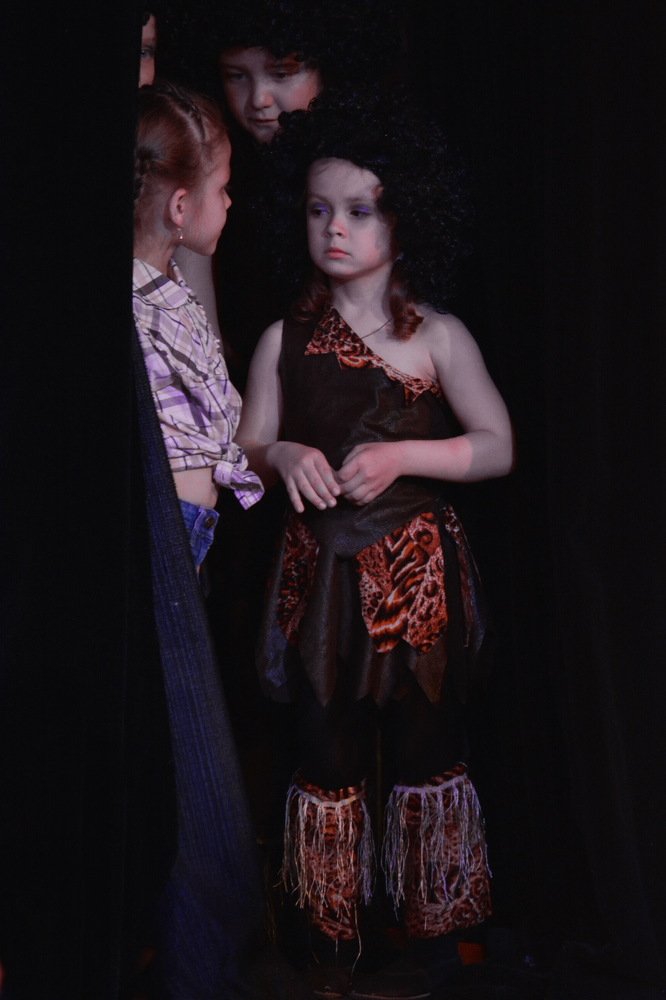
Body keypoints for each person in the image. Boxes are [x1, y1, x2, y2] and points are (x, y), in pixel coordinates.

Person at [236, 94, 515, 999]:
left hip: (416, 580)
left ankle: (437, 932)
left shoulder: (436, 334)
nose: (336, 229)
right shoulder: (282, 339)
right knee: (326, 748)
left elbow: (497, 446)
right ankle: (331, 935)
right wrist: (281, 454)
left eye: (360, 210)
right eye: (320, 209)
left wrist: (403, 455)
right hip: (318, 583)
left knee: (428, 742)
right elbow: (247, 446)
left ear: (406, 218)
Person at [132, 81, 263, 573]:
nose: (229, 202)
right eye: (222, 188)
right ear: (181, 207)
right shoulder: (137, 307)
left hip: (192, 524)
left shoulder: (170, 286)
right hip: (165, 529)